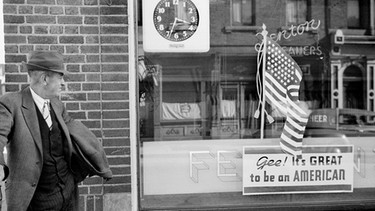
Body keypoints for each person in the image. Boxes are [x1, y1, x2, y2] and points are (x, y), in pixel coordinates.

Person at [0, 51, 112, 210]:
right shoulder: (11, 103)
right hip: (37, 202)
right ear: (44, 79)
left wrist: (99, 165)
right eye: (60, 77)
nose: (63, 82)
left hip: (67, 194)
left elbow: (76, 132)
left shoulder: (57, 105)